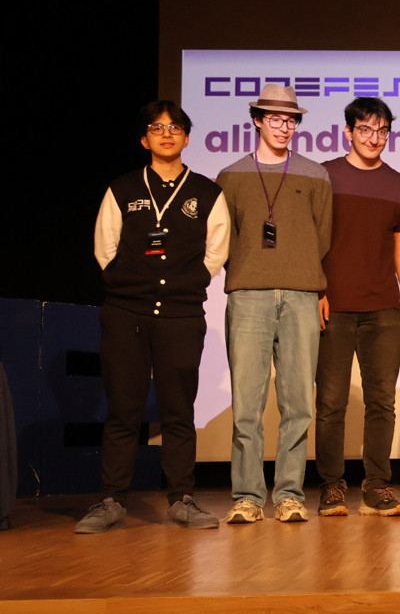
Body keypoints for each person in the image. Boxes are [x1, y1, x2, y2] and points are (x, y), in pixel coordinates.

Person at [76, 101, 229, 533]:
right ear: (145, 139)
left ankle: (182, 498)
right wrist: (127, 282)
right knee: (123, 410)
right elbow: (105, 247)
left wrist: (192, 280)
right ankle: (112, 500)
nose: (166, 134)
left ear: (186, 137)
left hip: (181, 315)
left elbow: (217, 250)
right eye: (157, 128)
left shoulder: (206, 192)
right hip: (126, 313)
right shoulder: (123, 188)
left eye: (175, 127)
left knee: (179, 411)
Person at [218, 84, 332, 524]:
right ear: (257, 121)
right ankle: (248, 496)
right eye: (275, 119)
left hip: (301, 294)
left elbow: (323, 236)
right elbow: (225, 237)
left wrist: (300, 272)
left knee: (298, 403)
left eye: (291, 120)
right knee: (247, 403)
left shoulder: (315, 174)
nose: (284, 127)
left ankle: (288, 494)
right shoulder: (231, 176)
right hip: (248, 294)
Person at [315, 97, 400, 518]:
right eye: (365, 129)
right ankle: (331, 486)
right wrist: (317, 291)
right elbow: (310, 240)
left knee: (382, 402)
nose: (374, 138)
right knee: (331, 403)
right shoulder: (324, 175)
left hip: (382, 309)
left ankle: (377, 486)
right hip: (334, 306)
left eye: (381, 131)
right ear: (348, 132)